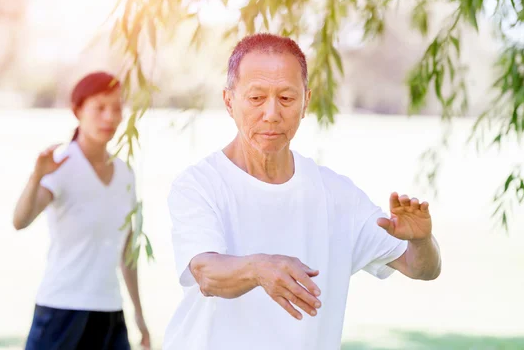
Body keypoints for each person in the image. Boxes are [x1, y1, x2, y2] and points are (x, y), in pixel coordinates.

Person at [164, 34, 442, 350]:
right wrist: (258, 268)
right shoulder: (200, 184)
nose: (271, 113)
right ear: (229, 101)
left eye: (286, 98)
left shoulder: (337, 195)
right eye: (256, 98)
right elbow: (205, 273)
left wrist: (420, 241)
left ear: (306, 102)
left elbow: (421, 268)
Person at [13, 72, 151, 350]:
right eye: (99, 108)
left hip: (109, 311)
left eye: (116, 107)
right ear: (77, 111)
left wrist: (139, 315)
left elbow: (127, 253)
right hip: (61, 309)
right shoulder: (60, 165)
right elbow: (20, 220)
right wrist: (36, 177)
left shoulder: (125, 174)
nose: (109, 117)